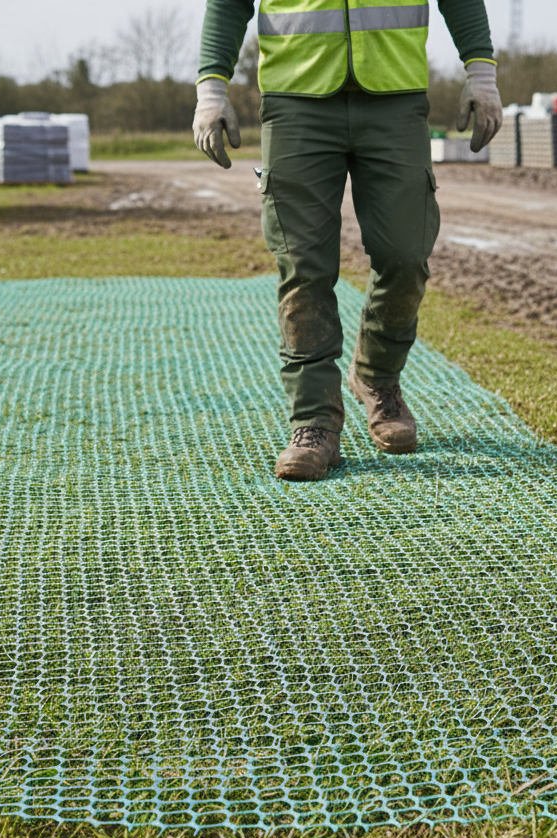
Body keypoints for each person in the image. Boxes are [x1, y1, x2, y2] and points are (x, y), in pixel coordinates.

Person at [193, 0, 503, 480]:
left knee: (406, 254)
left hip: (395, 99)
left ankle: (377, 379)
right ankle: (314, 421)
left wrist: (481, 72)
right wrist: (212, 86)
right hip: (296, 101)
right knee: (303, 267)